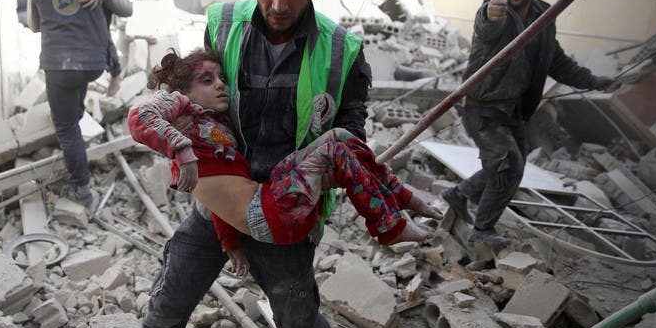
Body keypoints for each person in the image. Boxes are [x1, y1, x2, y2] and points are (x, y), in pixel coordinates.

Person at [137, 0, 373, 328]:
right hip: (218, 203)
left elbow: (351, 139)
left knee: (299, 323)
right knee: (164, 312)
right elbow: (195, 90)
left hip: (284, 216)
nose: (278, 3)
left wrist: (326, 171)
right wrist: (177, 119)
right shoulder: (222, 23)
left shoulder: (342, 51)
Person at [128, 50, 442, 275]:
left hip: (269, 199)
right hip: (267, 215)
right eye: (207, 80)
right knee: (334, 152)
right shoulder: (181, 114)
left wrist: (231, 245)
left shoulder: (216, 125)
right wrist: (181, 148)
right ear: (184, 90)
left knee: (341, 137)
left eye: (221, 78)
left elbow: (220, 195)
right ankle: (389, 227)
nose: (220, 84)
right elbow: (140, 115)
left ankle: (404, 198)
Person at [441, 0, 614, 247]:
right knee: (508, 166)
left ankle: (459, 194)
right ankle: (483, 230)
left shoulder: (543, 17)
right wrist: (489, 14)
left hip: (516, 110)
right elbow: (486, 26)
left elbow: (556, 60)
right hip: (484, 107)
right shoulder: (495, 9)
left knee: (505, 165)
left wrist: (591, 80)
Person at [26, 0, 124, 209]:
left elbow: (34, 25)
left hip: (60, 64)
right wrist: (116, 71)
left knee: (66, 127)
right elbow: (105, 28)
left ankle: (81, 188)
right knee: (75, 107)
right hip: (92, 63)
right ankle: (77, 150)